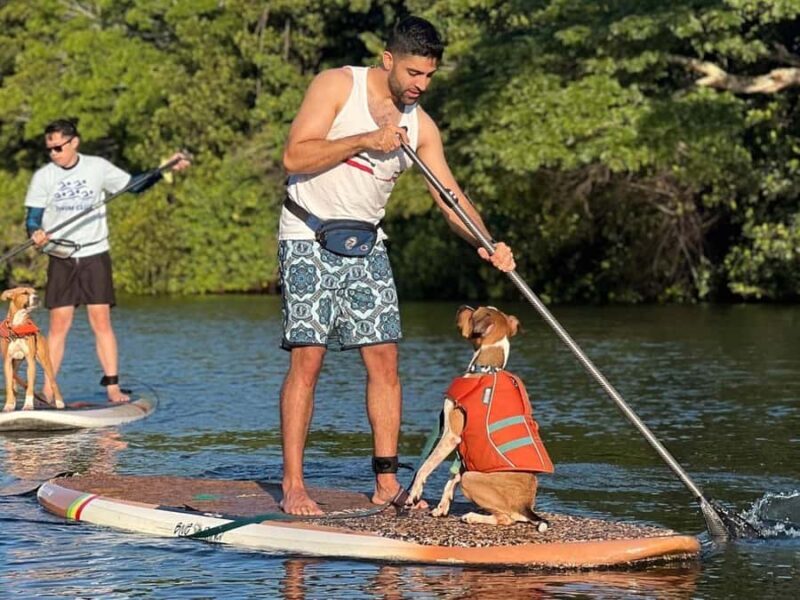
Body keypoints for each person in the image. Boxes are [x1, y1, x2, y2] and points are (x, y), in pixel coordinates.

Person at [278, 16, 516, 515]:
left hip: (367, 243)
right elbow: (295, 157)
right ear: (388, 60)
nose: (419, 85)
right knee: (309, 360)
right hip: (307, 233)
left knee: (384, 360)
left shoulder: (420, 125)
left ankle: (387, 482)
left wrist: (488, 241)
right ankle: (294, 486)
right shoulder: (337, 85)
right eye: (412, 73)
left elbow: (449, 196)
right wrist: (365, 139)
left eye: (428, 76)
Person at [24, 118, 190, 404]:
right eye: (49, 149)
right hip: (60, 256)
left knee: (100, 320)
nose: (54, 154)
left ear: (74, 142)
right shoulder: (44, 177)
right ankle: (49, 390)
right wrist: (35, 232)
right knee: (59, 324)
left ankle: (112, 388)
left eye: (59, 147)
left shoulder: (97, 167)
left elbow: (133, 186)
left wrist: (162, 171)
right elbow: (33, 217)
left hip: (94, 254)